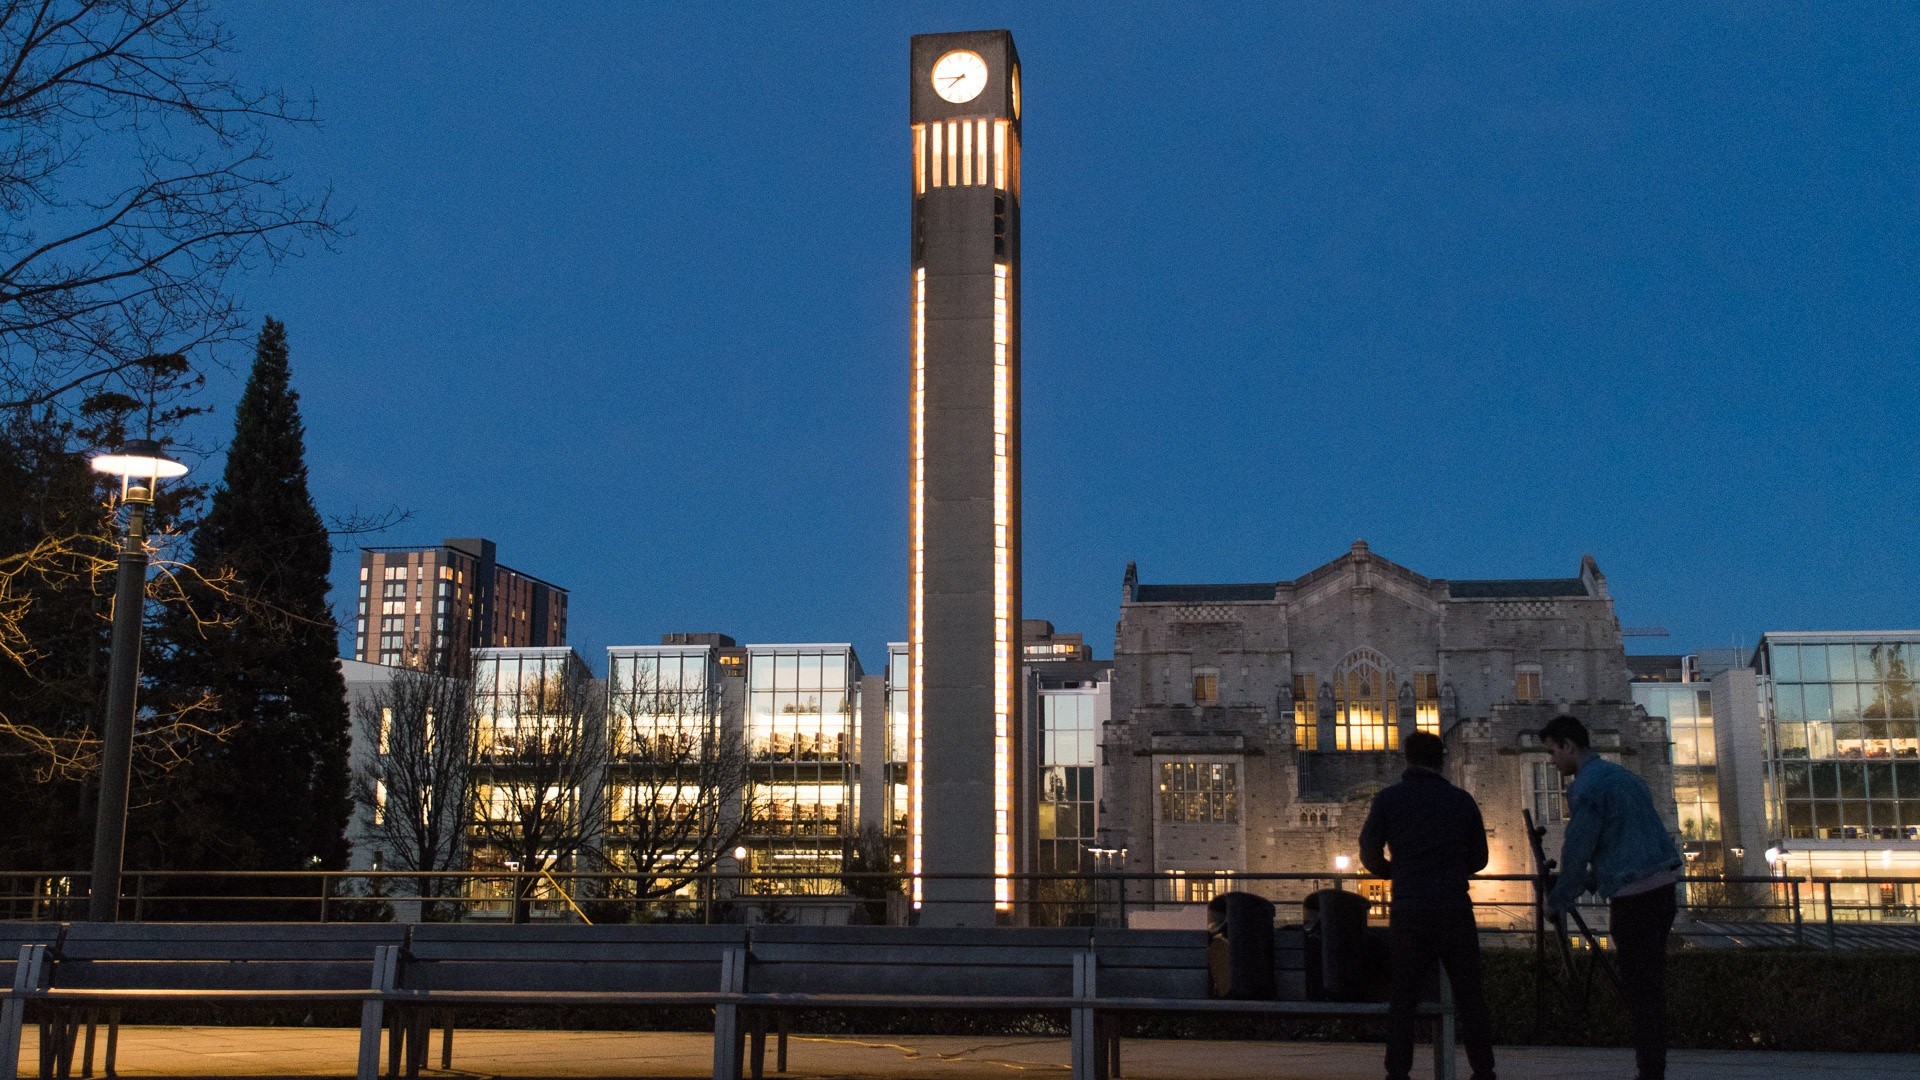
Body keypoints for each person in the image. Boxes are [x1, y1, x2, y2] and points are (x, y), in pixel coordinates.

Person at [1541, 713, 1683, 1080]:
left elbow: (1578, 849)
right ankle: (1653, 1066)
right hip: (1662, 890)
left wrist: (1557, 899)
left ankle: (1650, 1071)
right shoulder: (1625, 778)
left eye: (1554, 752)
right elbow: (1624, 845)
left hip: (1634, 900)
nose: (1552, 761)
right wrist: (1593, 881)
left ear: (1569, 746)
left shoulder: (1587, 787)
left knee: (1640, 992)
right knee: (1650, 986)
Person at [1359, 730, 1497, 1080]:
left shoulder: (1388, 800)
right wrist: (1451, 869)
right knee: (1470, 995)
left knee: (1403, 997)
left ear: (1406, 759)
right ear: (1442, 761)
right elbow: (1480, 858)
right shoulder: (1461, 801)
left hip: (1409, 908)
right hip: (1453, 906)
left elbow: (1369, 853)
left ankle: (1398, 1071)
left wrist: (1397, 872)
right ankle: (1483, 1070)